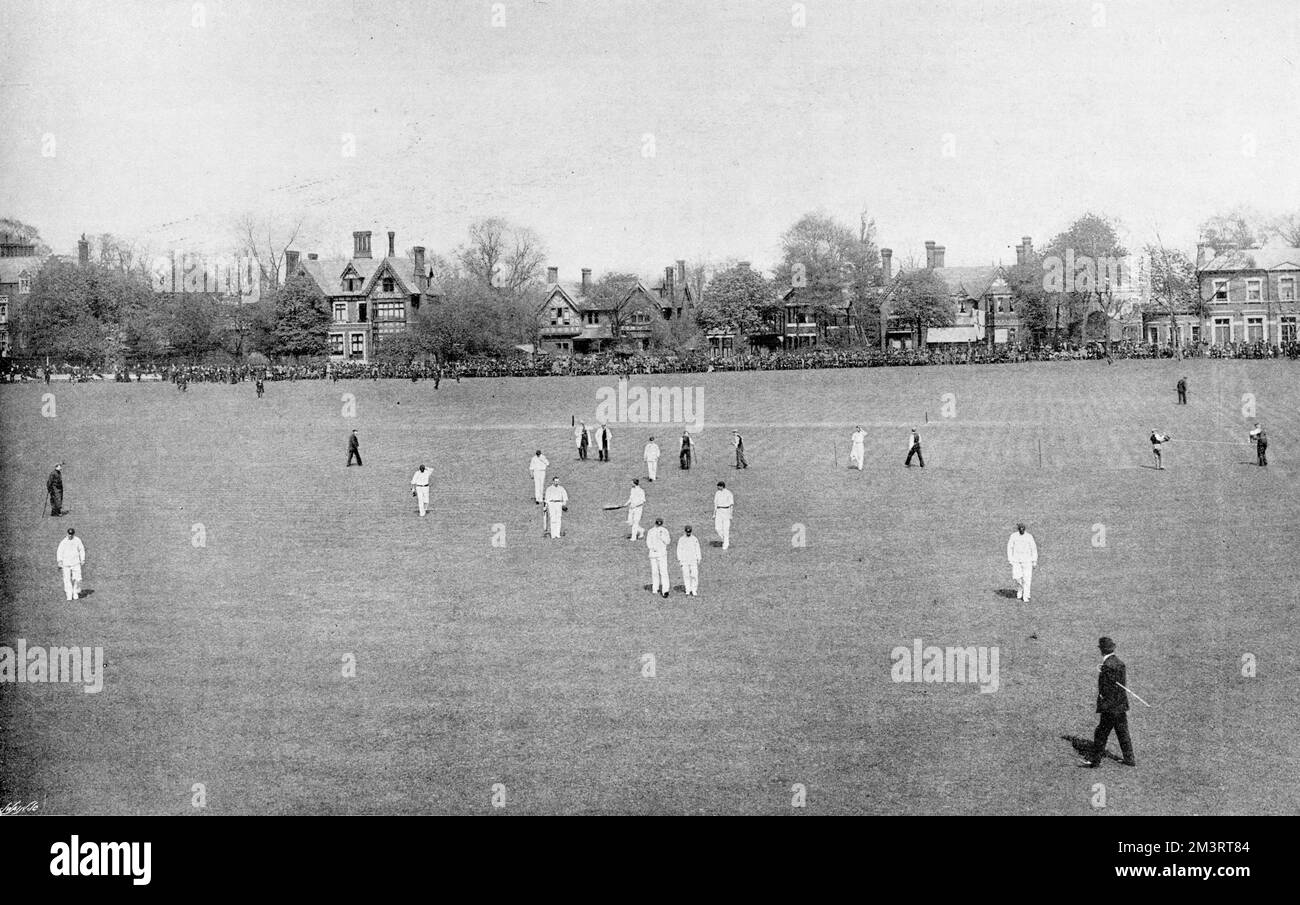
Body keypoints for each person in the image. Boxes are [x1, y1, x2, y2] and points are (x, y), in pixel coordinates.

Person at [1085, 637, 1136, 768]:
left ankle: (1095, 761)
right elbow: (1120, 686)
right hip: (1121, 706)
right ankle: (1129, 759)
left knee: (1101, 734)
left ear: (1102, 650)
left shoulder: (1107, 666)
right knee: (1123, 732)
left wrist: (1103, 701)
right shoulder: (1119, 663)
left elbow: (1105, 689)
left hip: (1110, 707)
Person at [1006, 522, 1039, 601]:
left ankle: (1026, 595)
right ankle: (1020, 589)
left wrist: (1034, 560)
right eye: (1020, 529)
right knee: (1017, 577)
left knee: (1027, 578)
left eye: (1023, 529)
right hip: (1016, 560)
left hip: (1027, 560)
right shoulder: (1013, 536)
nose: (1021, 530)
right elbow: (1009, 547)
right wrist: (1010, 559)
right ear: (1018, 529)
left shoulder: (1029, 537)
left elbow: (1033, 548)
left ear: (1024, 529)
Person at [56, 527, 85, 601]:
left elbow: (81, 549)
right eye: (69, 534)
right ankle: (69, 594)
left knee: (78, 578)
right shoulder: (63, 542)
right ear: (67, 534)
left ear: (73, 534)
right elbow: (59, 551)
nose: (70, 536)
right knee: (67, 579)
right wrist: (59, 561)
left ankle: (75, 592)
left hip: (76, 562)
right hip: (66, 563)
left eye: (72, 534)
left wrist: (82, 559)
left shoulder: (77, 540)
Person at [646, 518, 671, 598]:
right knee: (655, 572)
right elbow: (648, 542)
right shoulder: (651, 531)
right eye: (657, 524)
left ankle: (665, 590)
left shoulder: (665, 531)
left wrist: (662, 536)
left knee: (663, 572)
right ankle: (655, 588)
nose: (658, 526)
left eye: (660, 525)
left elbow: (668, 542)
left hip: (662, 554)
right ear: (655, 523)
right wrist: (653, 548)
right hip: (653, 554)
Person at [676, 525, 701, 597]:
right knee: (686, 575)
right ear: (685, 531)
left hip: (693, 560)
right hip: (684, 560)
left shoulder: (694, 539)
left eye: (689, 532)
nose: (688, 534)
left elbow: (697, 549)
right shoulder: (681, 539)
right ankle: (688, 589)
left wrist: (699, 558)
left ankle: (694, 590)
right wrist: (680, 560)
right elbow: (679, 550)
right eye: (687, 532)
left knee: (694, 575)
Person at [713, 481, 734, 550]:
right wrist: (714, 513)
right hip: (719, 511)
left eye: (718, 486)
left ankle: (726, 543)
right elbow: (715, 504)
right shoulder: (717, 493)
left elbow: (731, 505)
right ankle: (725, 540)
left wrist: (730, 514)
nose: (717, 488)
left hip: (726, 511)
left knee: (726, 528)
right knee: (717, 528)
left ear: (722, 486)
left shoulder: (728, 493)